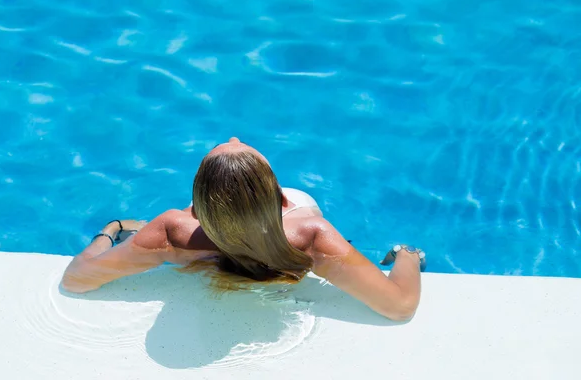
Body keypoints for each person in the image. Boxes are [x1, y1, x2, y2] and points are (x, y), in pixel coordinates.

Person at [61, 137, 425, 321]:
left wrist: (109, 231)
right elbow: (400, 306)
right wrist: (406, 256)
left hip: (205, 248)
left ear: (197, 211)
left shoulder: (171, 229)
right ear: (283, 203)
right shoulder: (313, 233)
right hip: (285, 255)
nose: (234, 138)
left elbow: (76, 279)